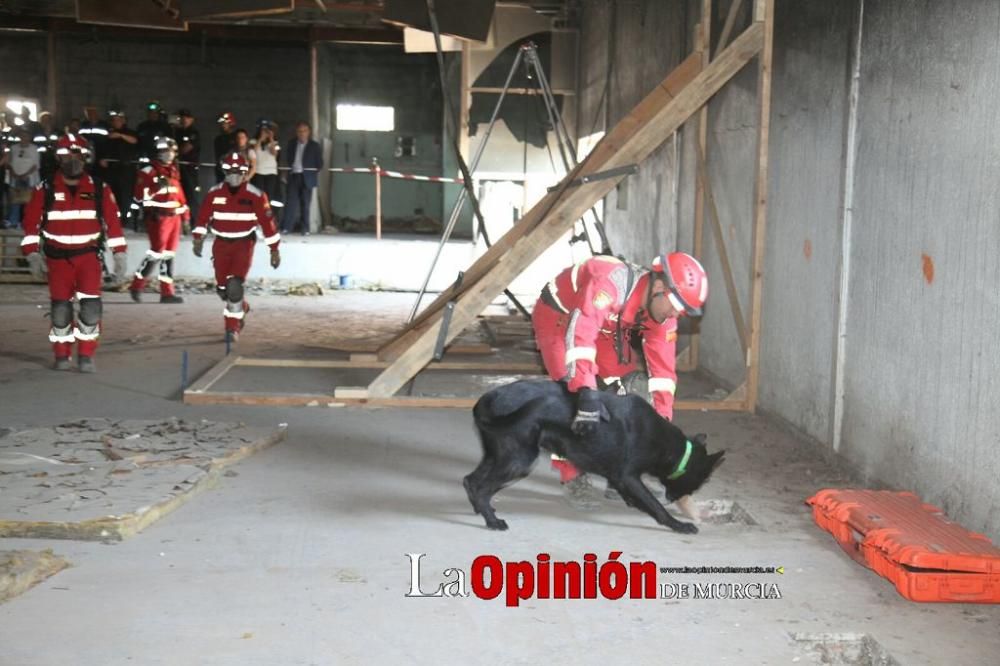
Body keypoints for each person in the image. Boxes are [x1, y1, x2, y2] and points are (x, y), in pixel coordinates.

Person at [532, 252, 709, 508]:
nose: (675, 314)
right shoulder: (609, 282)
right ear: (659, 287)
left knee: (625, 391)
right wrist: (586, 391)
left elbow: (663, 376)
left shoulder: (664, 314)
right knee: (573, 397)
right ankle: (572, 475)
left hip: (607, 327)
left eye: (682, 311)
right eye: (675, 305)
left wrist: (662, 430)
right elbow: (580, 334)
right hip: (560, 319)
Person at [19, 134, 128, 373]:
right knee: (60, 310)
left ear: (85, 156)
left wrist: (119, 254)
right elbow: (31, 225)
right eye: (66, 155)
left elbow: (113, 224)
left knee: (90, 307)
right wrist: (32, 254)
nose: (72, 160)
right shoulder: (45, 188)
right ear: (58, 158)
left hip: (88, 258)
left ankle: (86, 355)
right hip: (57, 260)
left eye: (76, 154)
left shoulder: (99, 188)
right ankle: (61, 354)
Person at [192, 152, 281, 341]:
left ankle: (232, 328)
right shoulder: (214, 193)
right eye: (230, 171)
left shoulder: (255, 195)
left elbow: (268, 224)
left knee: (234, 286)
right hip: (221, 245)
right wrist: (198, 238)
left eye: (238, 171)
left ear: (245, 172)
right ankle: (242, 306)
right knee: (223, 289)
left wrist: (274, 249)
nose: (234, 175)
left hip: (243, 244)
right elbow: (202, 218)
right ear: (224, 171)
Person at [128, 136, 189, 303]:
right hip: (158, 217)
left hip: (173, 218)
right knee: (156, 253)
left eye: (171, 151)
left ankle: (167, 293)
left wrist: (186, 218)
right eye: (165, 151)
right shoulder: (147, 171)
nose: (169, 154)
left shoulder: (173, 171)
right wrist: (155, 188)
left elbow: (180, 196)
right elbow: (139, 198)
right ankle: (136, 285)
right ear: (157, 152)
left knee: (168, 255)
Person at [97, 108, 139, 228]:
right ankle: (111, 219)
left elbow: (135, 141)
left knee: (125, 196)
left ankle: (124, 219)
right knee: (110, 195)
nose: (116, 122)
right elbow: (102, 150)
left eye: (118, 120)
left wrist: (120, 135)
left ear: (123, 121)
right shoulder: (108, 135)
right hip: (111, 170)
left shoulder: (130, 133)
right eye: (114, 120)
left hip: (126, 170)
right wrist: (102, 160)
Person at [283, 121, 322, 235]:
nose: (302, 133)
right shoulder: (291, 144)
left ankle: (305, 229)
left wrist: (311, 173)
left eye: (304, 131)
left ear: (308, 132)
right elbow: (287, 160)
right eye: (299, 131)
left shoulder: (314, 146)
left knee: (305, 204)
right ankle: (287, 227)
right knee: (291, 203)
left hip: (307, 178)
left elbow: (320, 164)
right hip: (294, 176)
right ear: (296, 132)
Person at [4, 129, 40, 229]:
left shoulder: (34, 148)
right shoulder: (13, 148)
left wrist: (25, 174)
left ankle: (28, 222)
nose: (24, 138)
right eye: (22, 135)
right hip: (15, 177)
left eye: (26, 136)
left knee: (29, 202)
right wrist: (14, 174)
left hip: (29, 178)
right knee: (15, 201)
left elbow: (36, 165)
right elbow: (9, 163)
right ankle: (13, 221)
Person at [174, 109, 201, 228]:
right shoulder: (177, 132)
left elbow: (186, 148)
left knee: (191, 195)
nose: (184, 120)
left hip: (190, 167)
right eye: (182, 117)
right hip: (178, 167)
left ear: (192, 119)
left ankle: (196, 222)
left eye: (187, 117)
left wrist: (173, 153)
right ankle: (181, 222)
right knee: (178, 195)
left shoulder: (193, 133)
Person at [251, 120, 282, 218]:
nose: (265, 132)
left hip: (271, 172)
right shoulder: (253, 141)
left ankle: (268, 215)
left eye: (267, 131)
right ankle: (258, 215)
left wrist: (271, 138)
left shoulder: (275, 143)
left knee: (270, 195)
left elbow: (275, 154)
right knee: (259, 194)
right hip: (259, 171)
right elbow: (253, 152)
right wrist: (260, 139)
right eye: (263, 130)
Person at [213, 111, 237, 183]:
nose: (223, 125)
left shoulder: (236, 137)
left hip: (234, 170)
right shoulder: (218, 139)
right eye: (221, 123)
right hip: (221, 170)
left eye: (225, 123)